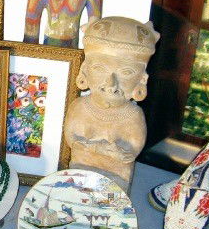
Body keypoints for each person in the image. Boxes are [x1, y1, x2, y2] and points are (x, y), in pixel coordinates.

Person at [64, 16, 160, 188]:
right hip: (79, 171)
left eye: (126, 72)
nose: (111, 84)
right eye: (100, 69)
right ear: (84, 70)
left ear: (142, 79)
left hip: (116, 177)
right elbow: (71, 140)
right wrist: (97, 148)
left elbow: (133, 149)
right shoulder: (79, 106)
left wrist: (117, 152)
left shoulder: (133, 115)